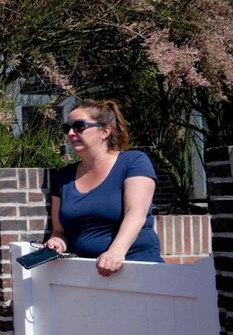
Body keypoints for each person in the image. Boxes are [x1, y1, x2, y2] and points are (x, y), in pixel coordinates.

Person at [43, 100, 163, 274]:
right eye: (66, 128)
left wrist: (116, 251)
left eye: (79, 126)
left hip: (136, 268)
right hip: (86, 274)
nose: (70, 133)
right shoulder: (64, 177)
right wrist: (57, 243)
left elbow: (136, 213)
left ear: (105, 131)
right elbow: (59, 231)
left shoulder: (133, 162)